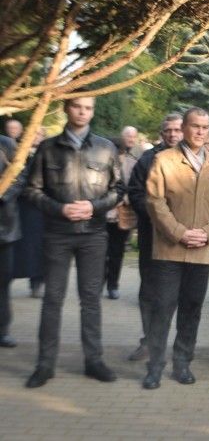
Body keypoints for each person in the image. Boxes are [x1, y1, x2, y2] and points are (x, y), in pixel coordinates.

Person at [24, 96, 125, 388]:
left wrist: (94, 207)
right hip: (56, 233)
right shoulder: (47, 148)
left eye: (89, 107)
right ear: (67, 108)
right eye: (78, 106)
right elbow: (31, 190)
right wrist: (59, 209)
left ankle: (94, 360)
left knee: (91, 299)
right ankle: (45, 364)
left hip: (93, 234)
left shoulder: (105, 148)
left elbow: (119, 189)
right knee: (52, 298)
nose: (83, 112)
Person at [142, 107, 209, 389]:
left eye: (205, 127)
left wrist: (207, 233)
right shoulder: (164, 160)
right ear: (184, 128)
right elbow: (155, 202)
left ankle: (182, 363)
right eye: (195, 126)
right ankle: (154, 366)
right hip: (170, 248)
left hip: (202, 249)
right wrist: (180, 233)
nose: (201, 132)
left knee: (192, 309)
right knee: (163, 308)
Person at [126, 114, 183, 362]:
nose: (172, 134)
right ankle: (149, 340)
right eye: (168, 130)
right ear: (161, 132)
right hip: (153, 235)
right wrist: (156, 215)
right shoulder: (148, 159)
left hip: (183, 238)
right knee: (149, 291)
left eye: (177, 130)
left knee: (179, 293)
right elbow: (135, 192)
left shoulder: (195, 158)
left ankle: (179, 344)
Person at [13, 126, 46, 299]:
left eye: (40, 134)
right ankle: (7, 278)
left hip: (39, 209)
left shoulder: (48, 152)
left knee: (38, 248)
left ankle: (37, 282)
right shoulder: (17, 153)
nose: (37, 137)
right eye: (34, 133)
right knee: (17, 246)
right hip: (20, 207)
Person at [103, 137, 138, 300]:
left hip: (121, 216)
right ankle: (98, 283)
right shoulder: (103, 163)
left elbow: (135, 188)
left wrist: (122, 200)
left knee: (116, 252)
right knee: (100, 252)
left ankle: (113, 285)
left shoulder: (131, 164)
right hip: (102, 214)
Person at [0, 134, 27, 347]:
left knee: (2, 281)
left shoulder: (6, 144)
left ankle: (2, 329)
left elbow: (21, 174)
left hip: (4, 226)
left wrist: (3, 195)